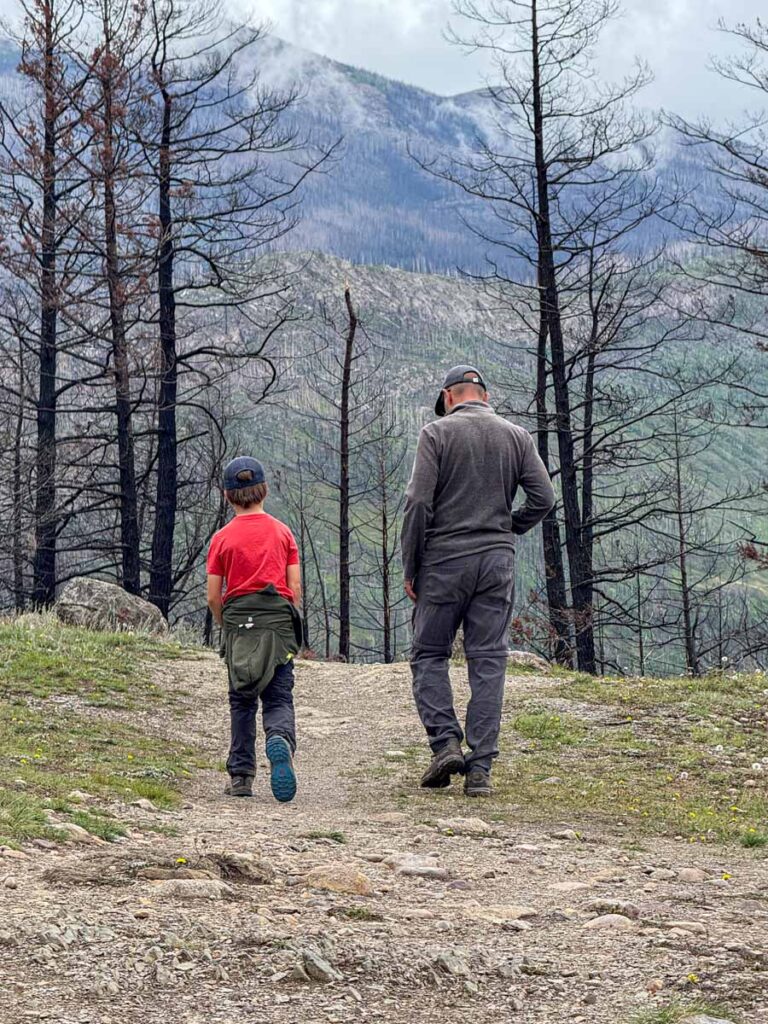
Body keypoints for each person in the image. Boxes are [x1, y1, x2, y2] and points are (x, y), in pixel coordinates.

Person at [401, 366, 556, 797]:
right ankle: (481, 769)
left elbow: (417, 503)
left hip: (444, 562)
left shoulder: (436, 434)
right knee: (488, 659)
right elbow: (544, 498)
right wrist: (509, 527)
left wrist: (411, 566)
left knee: (430, 653)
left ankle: (446, 743)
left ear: (448, 397)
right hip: (496, 564)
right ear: (485, 396)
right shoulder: (516, 436)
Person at [207, 456, 303, 802]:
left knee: (242, 699)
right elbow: (293, 588)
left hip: (240, 626)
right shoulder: (282, 532)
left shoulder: (222, 539)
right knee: (278, 696)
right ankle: (280, 739)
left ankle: (242, 776)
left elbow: (214, 596)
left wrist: (227, 625)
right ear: (265, 490)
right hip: (277, 625)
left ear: (226, 495)